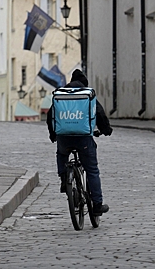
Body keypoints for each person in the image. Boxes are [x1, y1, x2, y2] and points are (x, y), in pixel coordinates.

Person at [46, 69, 113, 216]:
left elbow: (50, 115)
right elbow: (100, 114)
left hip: (63, 138)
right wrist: (106, 130)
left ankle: (64, 178)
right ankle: (97, 205)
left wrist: (53, 135)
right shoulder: (87, 94)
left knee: (62, 153)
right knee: (92, 170)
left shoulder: (61, 94)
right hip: (83, 139)